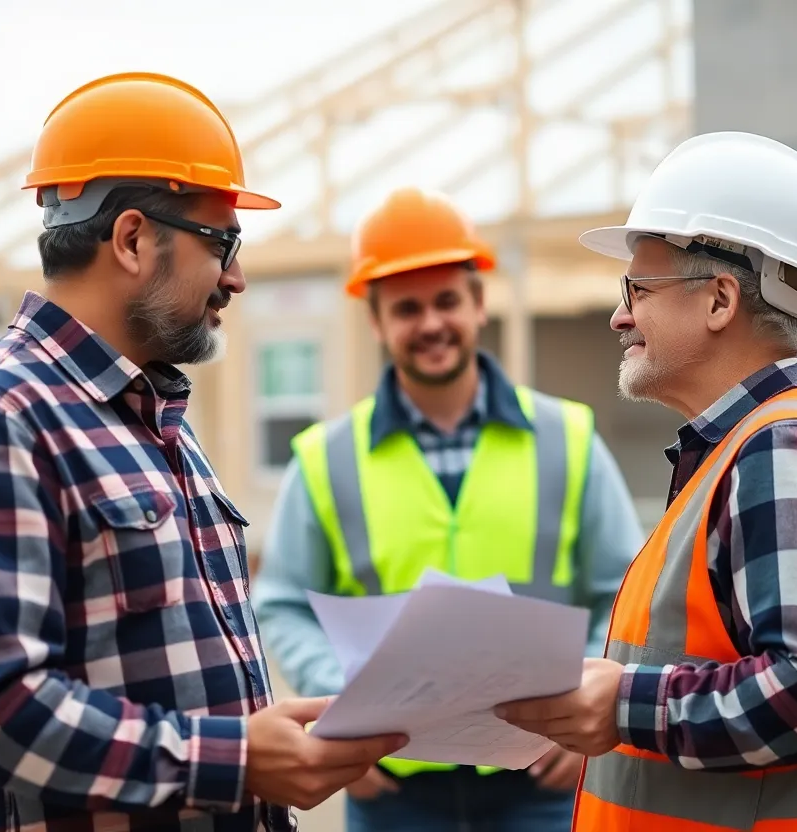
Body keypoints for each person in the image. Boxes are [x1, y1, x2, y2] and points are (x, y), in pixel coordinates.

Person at [0, 72, 406, 832]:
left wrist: (262, 741)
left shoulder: (152, 420)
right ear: (131, 239)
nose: (237, 278)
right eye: (222, 243)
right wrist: (236, 759)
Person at [494, 131, 797, 831]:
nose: (619, 315)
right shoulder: (745, 454)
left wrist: (621, 703)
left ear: (720, 301)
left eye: (639, 288)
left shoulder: (789, 452)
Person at [251, 186, 646, 832]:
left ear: (478, 303)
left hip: (542, 776)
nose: (431, 323)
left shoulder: (567, 440)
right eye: (407, 308)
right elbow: (284, 603)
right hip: (389, 785)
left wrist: (586, 720)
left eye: (446, 301)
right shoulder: (325, 459)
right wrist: (344, 706)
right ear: (376, 321)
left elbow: (624, 592)